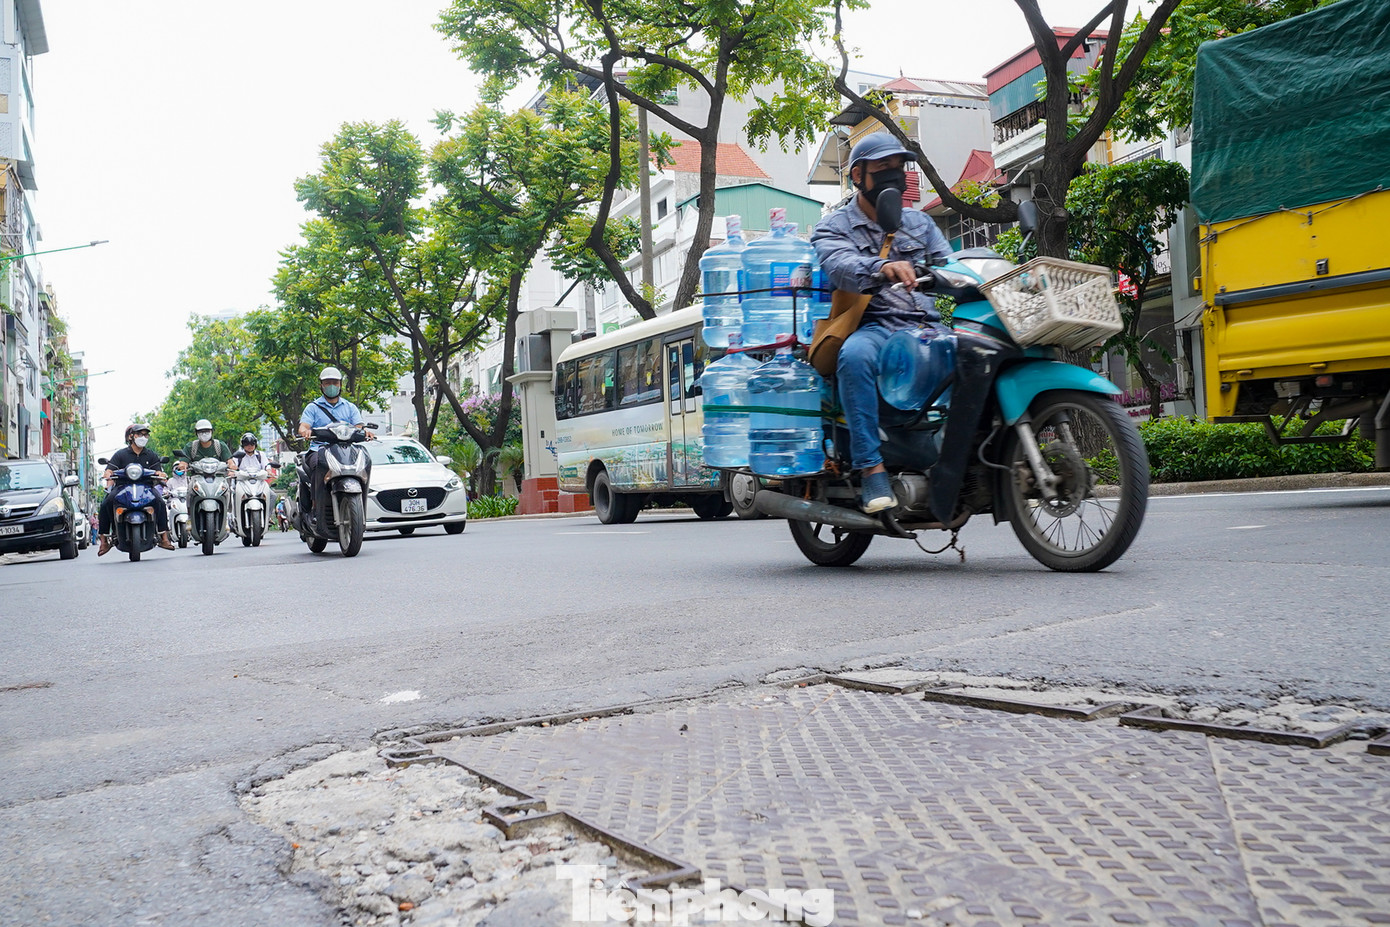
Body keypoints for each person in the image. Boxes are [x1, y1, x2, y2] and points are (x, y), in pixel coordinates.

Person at [811, 132, 953, 513]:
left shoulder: (921, 224)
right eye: (883, 167)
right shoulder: (834, 226)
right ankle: (871, 470)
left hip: (927, 328)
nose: (894, 174)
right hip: (874, 327)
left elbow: (951, 266)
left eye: (899, 167)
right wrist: (880, 267)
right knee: (854, 357)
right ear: (858, 175)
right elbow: (839, 265)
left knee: (979, 352)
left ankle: (964, 455)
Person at [297, 367, 373, 523]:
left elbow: (359, 427)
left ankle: (362, 507)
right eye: (327, 383)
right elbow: (303, 426)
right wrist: (305, 431)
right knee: (319, 464)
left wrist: (365, 432)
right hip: (319, 449)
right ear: (321, 385)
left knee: (365, 460)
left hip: (345, 450)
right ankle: (316, 508)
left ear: (340, 385)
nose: (331, 385)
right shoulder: (313, 407)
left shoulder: (350, 407)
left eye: (335, 382)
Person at [97, 423, 175, 555]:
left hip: (146, 488)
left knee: (160, 502)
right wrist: (108, 473)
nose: (143, 437)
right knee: (106, 503)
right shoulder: (120, 454)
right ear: (131, 437)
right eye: (139, 434)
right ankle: (104, 540)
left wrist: (160, 474)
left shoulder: (151, 455)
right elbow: (110, 469)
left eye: (145, 435)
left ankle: (164, 537)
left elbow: (158, 471)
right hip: (122, 488)